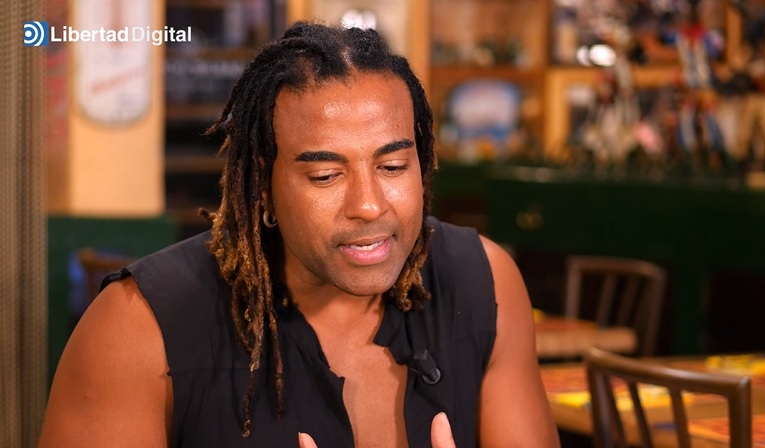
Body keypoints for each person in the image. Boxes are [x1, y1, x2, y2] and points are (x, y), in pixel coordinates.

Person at [38, 22, 559, 448]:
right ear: (263, 185)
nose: (369, 205)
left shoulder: (484, 283)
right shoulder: (138, 328)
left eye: (394, 166)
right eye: (325, 176)